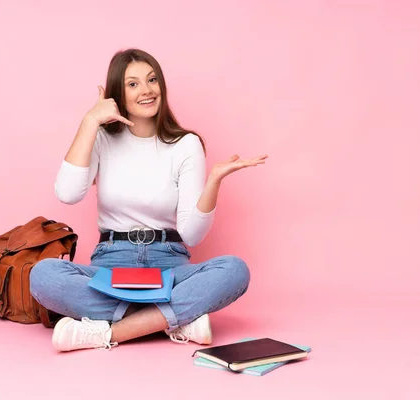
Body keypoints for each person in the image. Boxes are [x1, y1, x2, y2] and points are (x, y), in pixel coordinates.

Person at [29, 48, 268, 352]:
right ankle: (174, 319)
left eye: (152, 80)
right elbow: (67, 193)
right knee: (43, 276)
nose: (146, 90)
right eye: (133, 84)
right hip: (111, 263)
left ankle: (108, 333)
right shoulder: (101, 138)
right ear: (117, 93)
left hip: (168, 264)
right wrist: (90, 121)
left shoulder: (186, 144)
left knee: (235, 270)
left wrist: (214, 182)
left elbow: (192, 235)